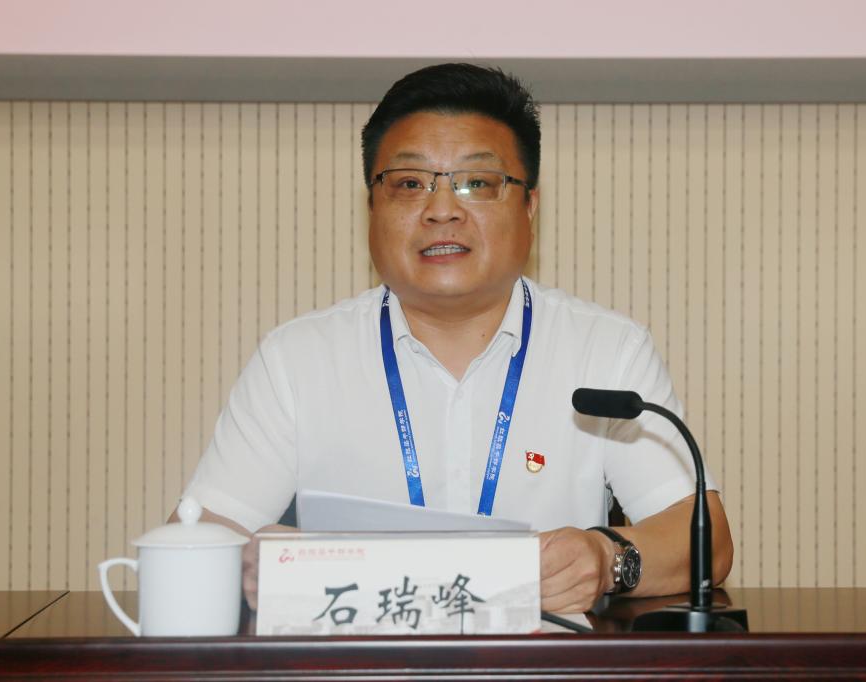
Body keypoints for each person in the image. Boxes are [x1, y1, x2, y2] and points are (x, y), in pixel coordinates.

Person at [178, 63, 733, 614]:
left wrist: (608, 557)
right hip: (355, 658)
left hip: (541, 659)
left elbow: (706, 541)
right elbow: (199, 537)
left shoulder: (606, 350)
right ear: (371, 206)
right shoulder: (296, 360)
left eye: (477, 184)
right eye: (410, 184)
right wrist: (245, 563)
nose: (442, 210)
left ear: (530, 207)